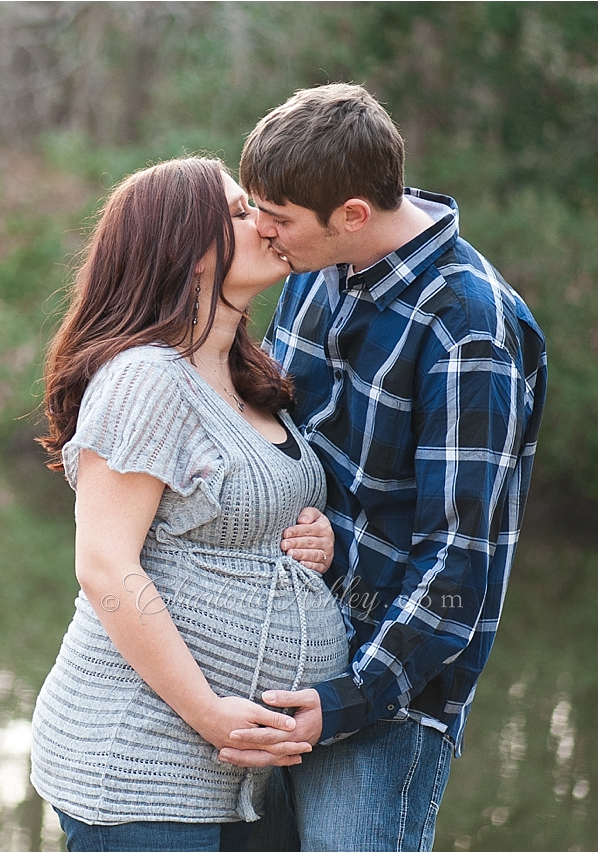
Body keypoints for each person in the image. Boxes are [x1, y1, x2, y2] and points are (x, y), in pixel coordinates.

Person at [220, 84, 549, 851]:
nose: (261, 231)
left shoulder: (473, 330)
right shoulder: (310, 263)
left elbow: (458, 564)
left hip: (380, 701)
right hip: (270, 658)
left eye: (280, 219)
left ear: (354, 214)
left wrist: (342, 701)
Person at [28, 156, 349, 852]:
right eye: (238, 213)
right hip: (141, 768)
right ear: (188, 252)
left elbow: (240, 514)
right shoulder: (147, 377)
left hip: (244, 783)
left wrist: (314, 537)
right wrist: (209, 713)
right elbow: (106, 567)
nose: (263, 222)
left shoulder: (241, 374)